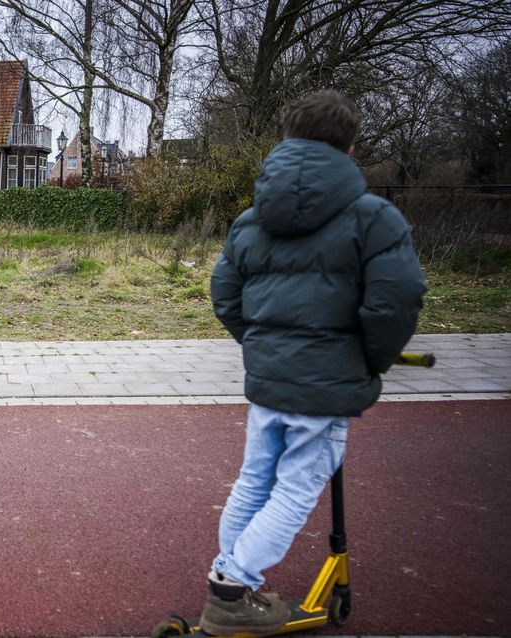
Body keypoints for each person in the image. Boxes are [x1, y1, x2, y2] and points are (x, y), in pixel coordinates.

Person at [200, 90, 426, 636]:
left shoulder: (252, 219)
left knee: (255, 479)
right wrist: (369, 360)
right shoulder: (372, 217)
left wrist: (263, 345)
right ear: (349, 146)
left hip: (271, 380)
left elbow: (224, 292)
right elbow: (396, 299)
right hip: (326, 384)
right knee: (297, 488)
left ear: (286, 138)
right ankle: (231, 587)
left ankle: (235, 581)